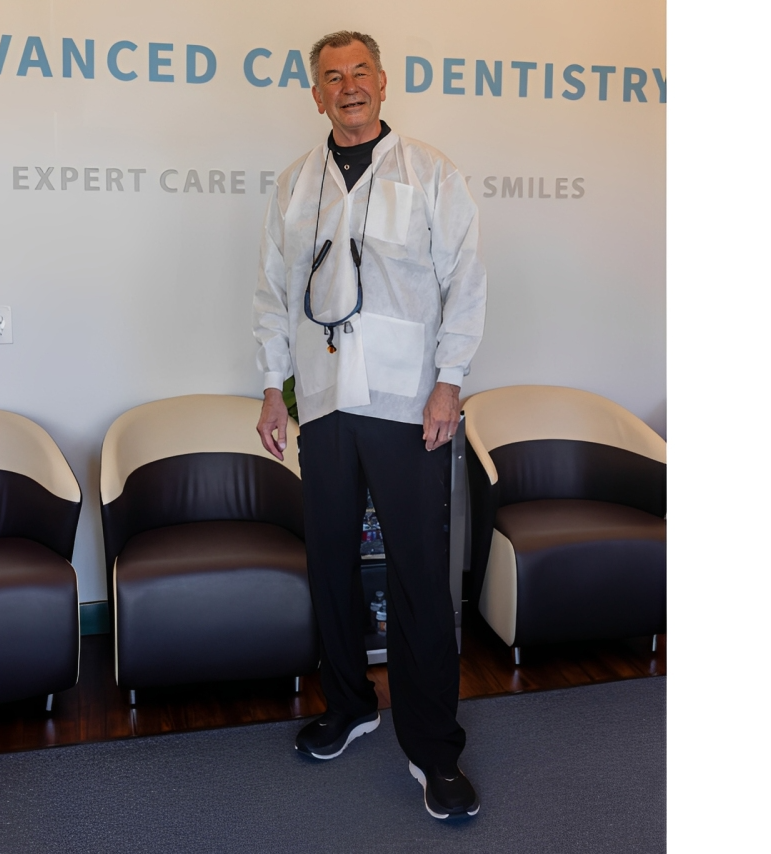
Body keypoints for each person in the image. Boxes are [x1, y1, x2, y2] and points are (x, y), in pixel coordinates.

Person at [252, 31, 487, 820]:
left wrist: (449, 384)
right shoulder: (296, 184)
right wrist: (270, 389)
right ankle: (350, 705)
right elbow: (273, 293)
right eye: (331, 78)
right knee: (331, 567)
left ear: (383, 84)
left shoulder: (430, 174)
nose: (348, 87)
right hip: (321, 402)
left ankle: (432, 750)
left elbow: (466, 283)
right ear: (315, 95)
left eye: (360, 73)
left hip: (408, 405)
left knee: (421, 578)